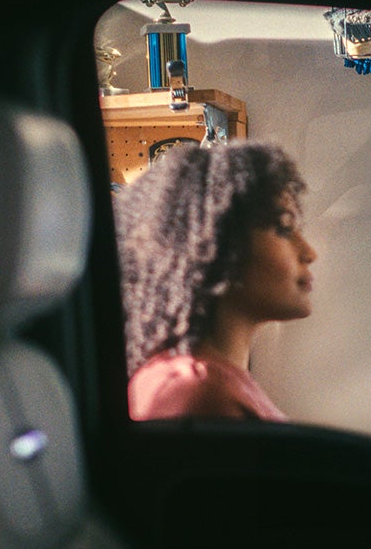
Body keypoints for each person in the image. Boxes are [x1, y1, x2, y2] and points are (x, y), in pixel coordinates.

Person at [113, 140, 317, 421]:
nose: (309, 252)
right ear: (216, 244)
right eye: (283, 228)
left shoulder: (212, 381)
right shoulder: (192, 389)